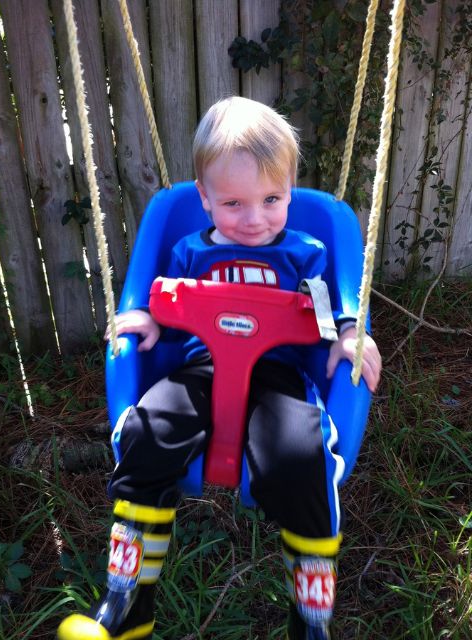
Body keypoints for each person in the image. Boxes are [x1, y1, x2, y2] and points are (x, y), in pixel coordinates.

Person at [57, 96, 381, 640]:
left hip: (277, 377)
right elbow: (165, 303)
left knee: (300, 455)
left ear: (290, 190)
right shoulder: (190, 251)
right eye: (233, 203)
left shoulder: (304, 253)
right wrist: (147, 319)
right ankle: (126, 602)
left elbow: (330, 309)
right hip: (199, 370)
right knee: (146, 434)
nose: (254, 219)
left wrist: (349, 333)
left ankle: (311, 618)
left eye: (271, 199)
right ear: (204, 198)